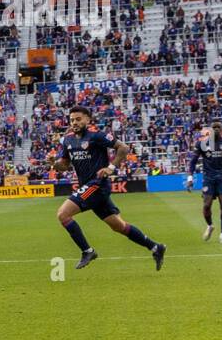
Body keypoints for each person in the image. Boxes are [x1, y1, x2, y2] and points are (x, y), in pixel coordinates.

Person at [51, 106, 166, 270]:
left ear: (87, 120)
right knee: (119, 226)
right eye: (72, 120)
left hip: (97, 185)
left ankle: (87, 251)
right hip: (89, 187)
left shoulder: (96, 136)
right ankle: (156, 247)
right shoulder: (68, 140)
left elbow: (123, 148)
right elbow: (63, 165)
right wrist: (53, 164)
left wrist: (111, 168)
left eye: (78, 119)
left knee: (63, 214)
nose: (74, 122)